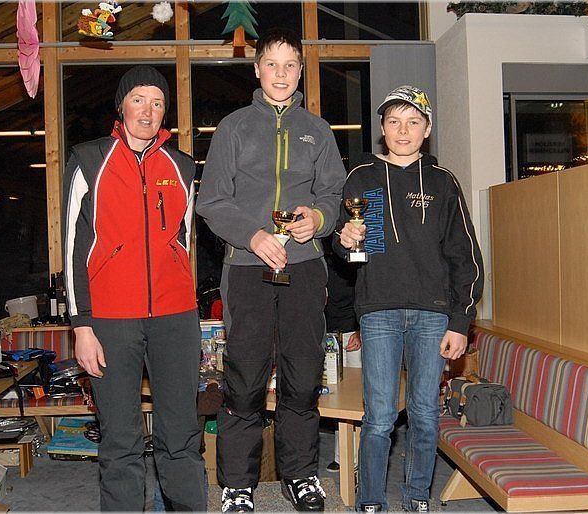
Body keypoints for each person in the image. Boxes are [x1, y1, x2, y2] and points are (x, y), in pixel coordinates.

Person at [196, 28, 346, 513]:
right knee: (244, 376)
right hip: (246, 267)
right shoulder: (234, 127)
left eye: (290, 65)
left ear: (300, 71)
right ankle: (237, 484)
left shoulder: (317, 130)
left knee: (303, 374)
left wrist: (317, 219)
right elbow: (211, 200)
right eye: (272, 64)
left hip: (305, 266)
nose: (281, 74)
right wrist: (253, 236)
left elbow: (334, 194)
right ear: (257, 69)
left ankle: (299, 475)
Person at [62, 65, 206, 511]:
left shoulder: (182, 166)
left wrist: (188, 306)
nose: (148, 110)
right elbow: (72, 248)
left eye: (157, 102)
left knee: (180, 435)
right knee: (121, 440)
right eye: (139, 100)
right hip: (111, 320)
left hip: (175, 319)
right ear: (121, 106)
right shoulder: (88, 160)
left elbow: (184, 242)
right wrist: (81, 325)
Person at [335, 85, 484, 512]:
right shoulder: (361, 178)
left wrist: (461, 321)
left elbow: (465, 256)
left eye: (413, 122)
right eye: (394, 121)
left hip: (433, 315)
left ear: (427, 129)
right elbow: (350, 251)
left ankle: (417, 496)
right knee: (379, 417)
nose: (403, 131)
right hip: (378, 311)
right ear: (382, 128)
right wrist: (346, 240)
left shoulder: (443, 182)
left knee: (423, 412)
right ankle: (370, 501)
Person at [322, 237, 361, 473]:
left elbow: (366, 296)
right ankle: (343, 456)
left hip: (353, 336)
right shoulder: (319, 261)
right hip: (327, 337)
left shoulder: (355, 259)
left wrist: (361, 331)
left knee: (356, 398)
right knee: (335, 398)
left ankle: (356, 458)